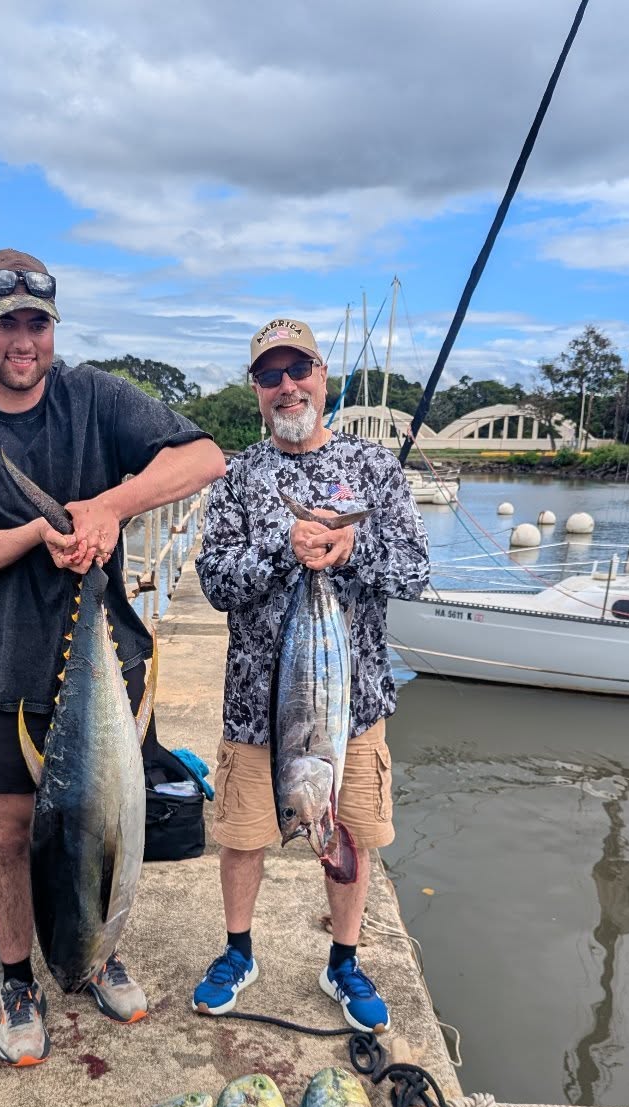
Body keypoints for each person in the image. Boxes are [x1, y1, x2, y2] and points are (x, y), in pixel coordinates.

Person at [0, 248, 225, 1066]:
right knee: (10, 830)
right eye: (6, 322)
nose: (24, 340)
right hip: (2, 662)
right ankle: (20, 980)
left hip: (100, 657)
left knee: (108, 816)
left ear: (54, 327)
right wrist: (46, 533)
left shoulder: (92, 395)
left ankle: (98, 949)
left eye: (37, 324)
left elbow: (204, 459)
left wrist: (108, 509)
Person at [193, 317, 429, 1033]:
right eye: (271, 376)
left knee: (352, 828)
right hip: (252, 709)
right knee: (242, 835)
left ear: (322, 378)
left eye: (299, 372)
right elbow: (215, 583)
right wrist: (283, 543)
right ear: (257, 391)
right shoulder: (238, 479)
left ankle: (345, 960)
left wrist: (349, 547)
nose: (287, 387)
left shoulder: (376, 470)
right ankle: (238, 952)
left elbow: (415, 574)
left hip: (351, 708)